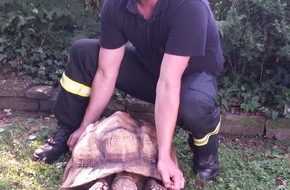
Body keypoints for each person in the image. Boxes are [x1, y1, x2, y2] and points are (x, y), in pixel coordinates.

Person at [33, 0, 223, 188]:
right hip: (152, 69)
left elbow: (168, 82)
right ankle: (68, 128)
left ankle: (206, 152)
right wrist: (86, 126)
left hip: (193, 75)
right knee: (84, 53)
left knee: (195, 105)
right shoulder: (116, 5)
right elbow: (106, 72)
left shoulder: (189, 6)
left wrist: (163, 157)